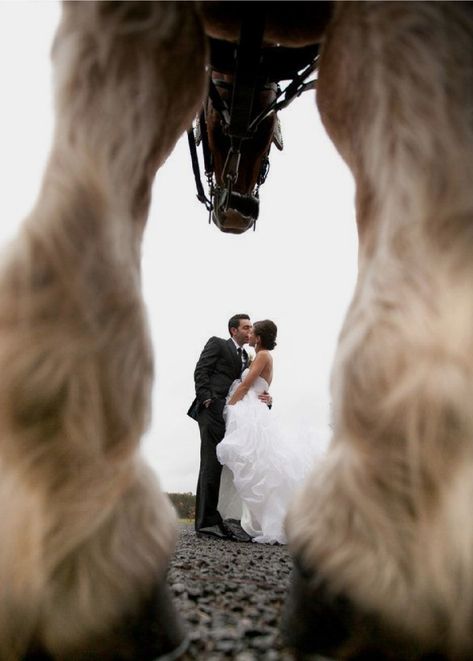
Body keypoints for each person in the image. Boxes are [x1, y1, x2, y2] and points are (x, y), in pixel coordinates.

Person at [217, 320, 320, 544]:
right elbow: (261, 388)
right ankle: (249, 518)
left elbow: (246, 386)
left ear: (259, 338)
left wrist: (229, 406)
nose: (249, 334)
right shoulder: (259, 356)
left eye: (252, 332)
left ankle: (273, 520)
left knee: (260, 467)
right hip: (254, 408)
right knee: (254, 465)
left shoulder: (263, 355)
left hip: (251, 411)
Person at [188, 314, 271, 541]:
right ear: (233, 330)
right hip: (212, 411)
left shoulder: (247, 356)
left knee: (226, 466)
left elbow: (250, 385)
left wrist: (266, 398)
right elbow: (201, 370)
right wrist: (207, 399)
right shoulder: (217, 343)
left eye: (251, 327)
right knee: (211, 462)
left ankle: (219, 518)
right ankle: (206, 523)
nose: (250, 331)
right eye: (246, 327)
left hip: (232, 416)